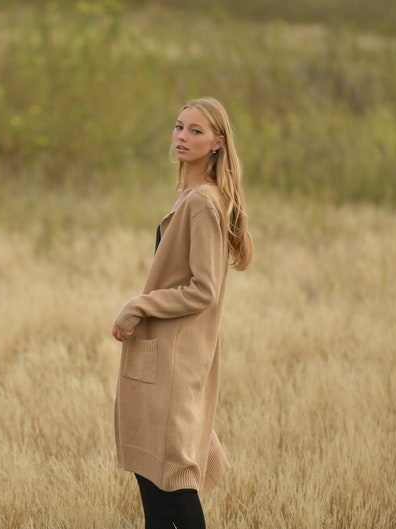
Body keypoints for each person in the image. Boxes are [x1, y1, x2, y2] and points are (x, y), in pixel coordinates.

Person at [111, 97, 253, 529]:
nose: (182, 137)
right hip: (162, 355)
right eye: (178, 127)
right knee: (153, 484)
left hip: (175, 360)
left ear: (217, 143)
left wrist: (139, 305)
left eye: (196, 130)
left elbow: (203, 289)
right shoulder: (189, 196)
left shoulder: (204, 203)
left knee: (173, 481)